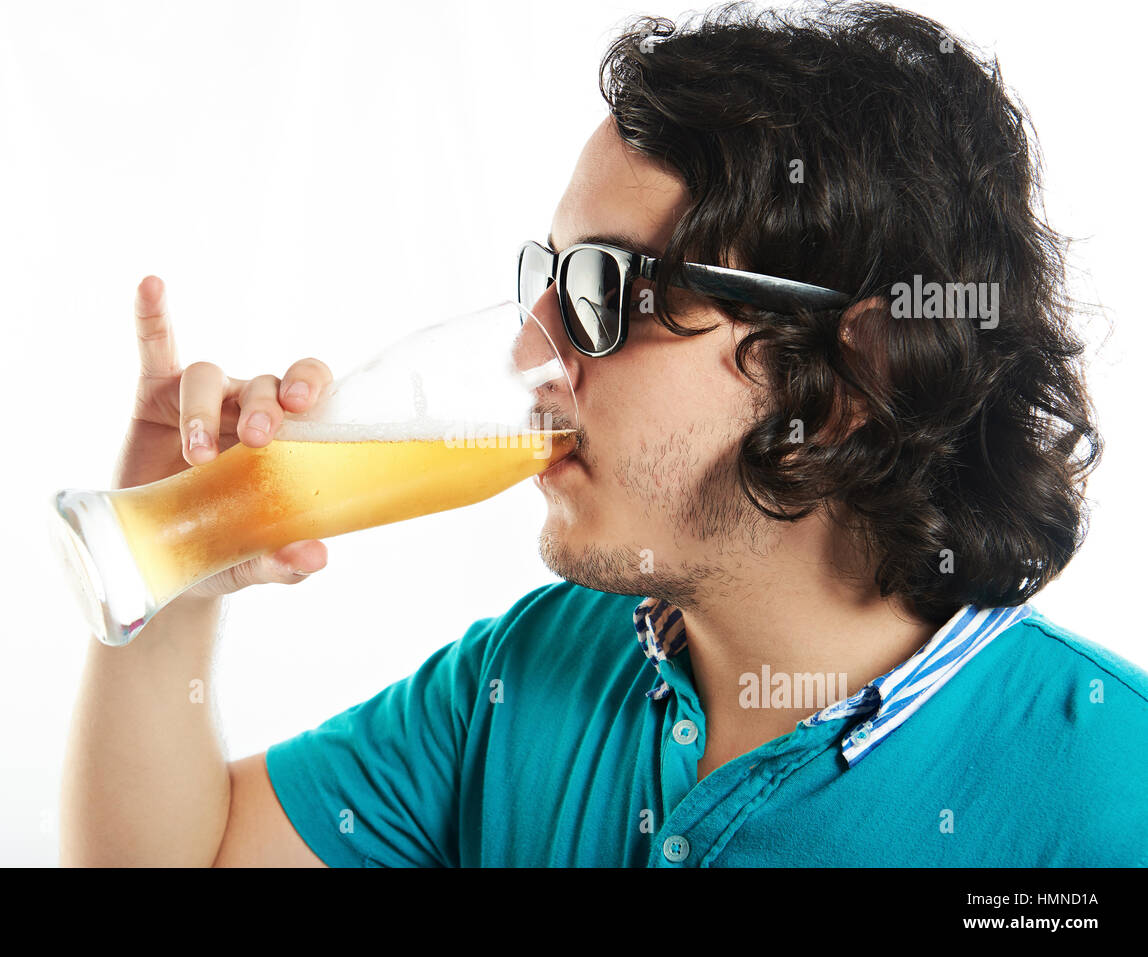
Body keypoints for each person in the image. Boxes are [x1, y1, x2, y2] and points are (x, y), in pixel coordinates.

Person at [60, 2, 1148, 867]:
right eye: (551, 278)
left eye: (609, 291)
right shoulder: (531, 671)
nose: (535, 354)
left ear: (855, 369)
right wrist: (181, 559)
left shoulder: (1110, 788)